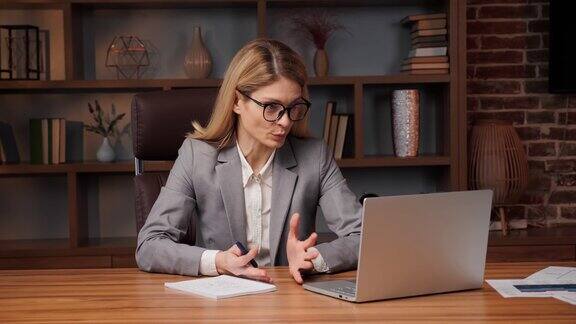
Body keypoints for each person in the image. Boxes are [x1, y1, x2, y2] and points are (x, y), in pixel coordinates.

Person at [136, 38, 362, 284]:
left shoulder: (314, 157)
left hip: (292, 299)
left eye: (293, 107)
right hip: (224, 304)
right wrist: (218, 262)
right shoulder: (196, 156)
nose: (285, 121)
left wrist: (313, 258)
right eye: (271, 107)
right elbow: (150, 245)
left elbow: (365, 236)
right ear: (236, 102)